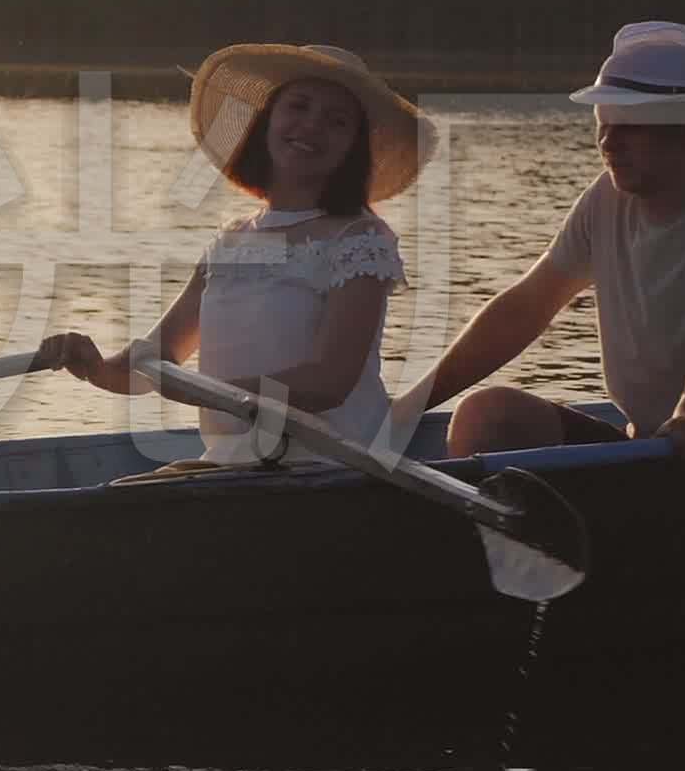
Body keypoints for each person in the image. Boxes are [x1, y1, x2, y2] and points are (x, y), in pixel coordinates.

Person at [401, 21, 685, 460]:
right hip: (648, 448)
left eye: (629, 127)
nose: (609, 143)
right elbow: (526, 307)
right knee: (485, 413)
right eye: (603, 125)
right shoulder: (603, 200)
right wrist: (404, 410)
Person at [48, 43, 428, 465]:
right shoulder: (231, 242)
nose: (311, 126)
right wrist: (94, 366)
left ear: (352, 147)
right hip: (236, 462)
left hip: (331, 463)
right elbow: (155, 361)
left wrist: (206, 390)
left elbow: (329, 382)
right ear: (267, 120)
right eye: (298, 107)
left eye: (336, 121)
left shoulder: (360, 239)